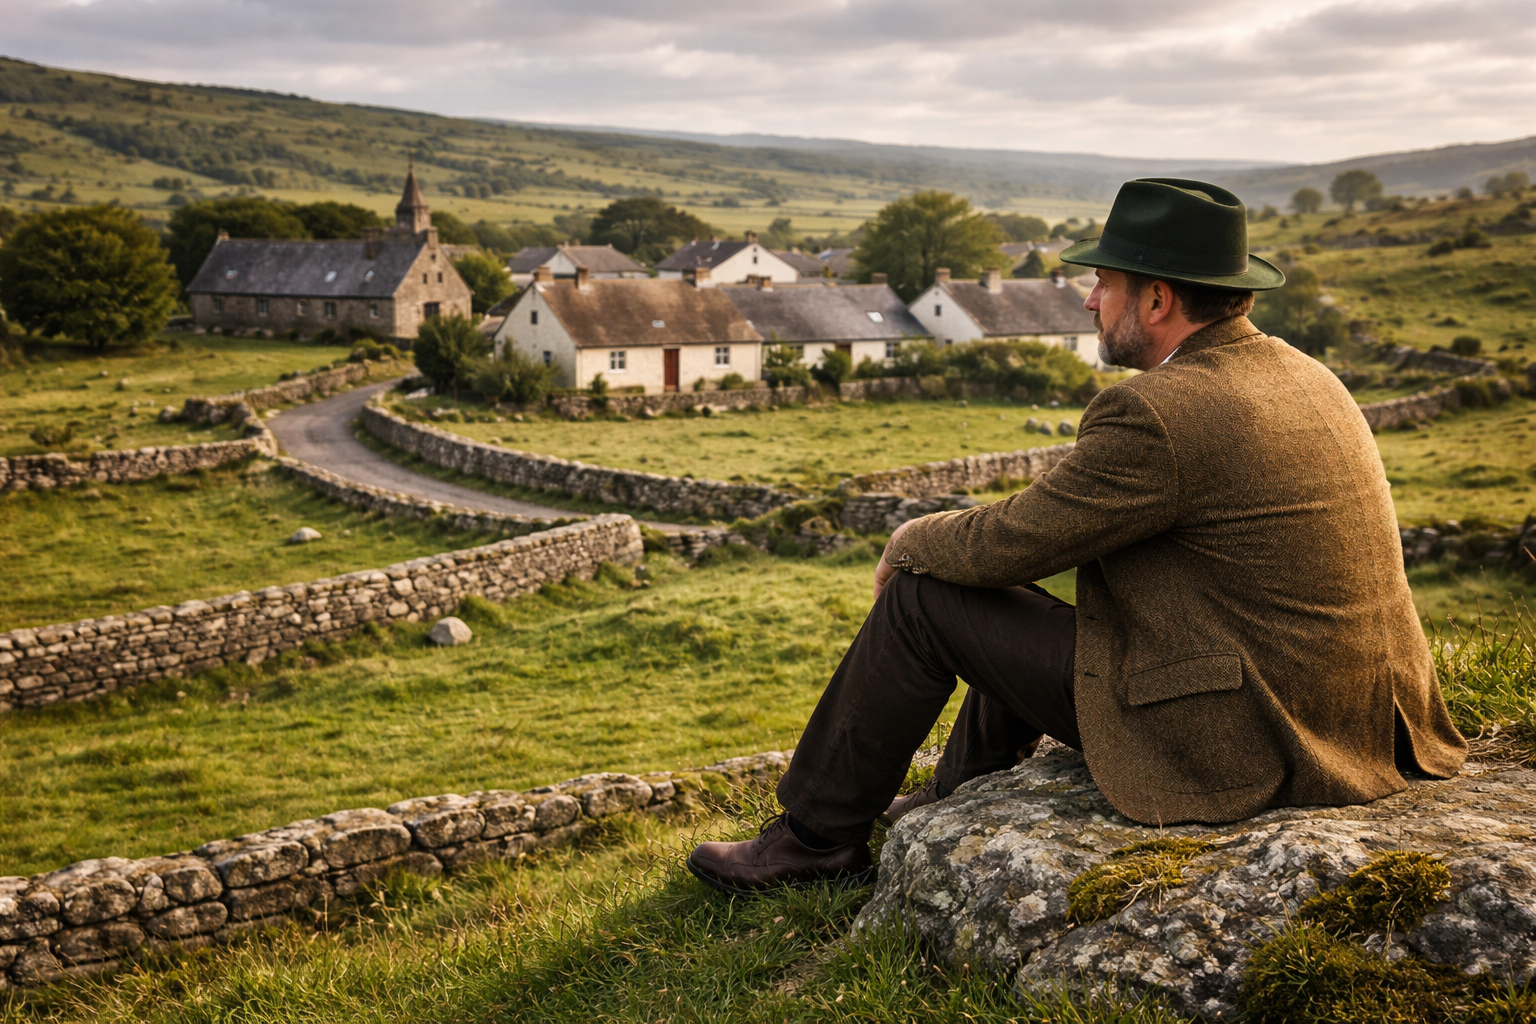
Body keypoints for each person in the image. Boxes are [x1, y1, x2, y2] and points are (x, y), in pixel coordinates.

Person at [686, 178, 1467, 896]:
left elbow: (1006, 543)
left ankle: (815, 838)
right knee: (1005, 594)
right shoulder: (1302, 373)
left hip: (1253, 726)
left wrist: (910, 536)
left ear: (1157, 299)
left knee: (924, 598)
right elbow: (1040, 548)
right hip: (1365, 709)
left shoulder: (1162, 411)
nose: (1090, 301)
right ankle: (954, 795)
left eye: (1104, 282)